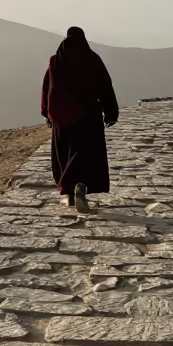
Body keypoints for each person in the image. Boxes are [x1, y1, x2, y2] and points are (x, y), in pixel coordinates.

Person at [40, 26, 119, 213]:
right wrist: (111, 112)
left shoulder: (55, 61)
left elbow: (47, 88)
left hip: (62, 119)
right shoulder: (91, 59)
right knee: (86, 154)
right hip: (88, 115)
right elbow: (105, 86)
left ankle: (68, 195)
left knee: (65, 154)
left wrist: (47, 113)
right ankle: (81, 186)